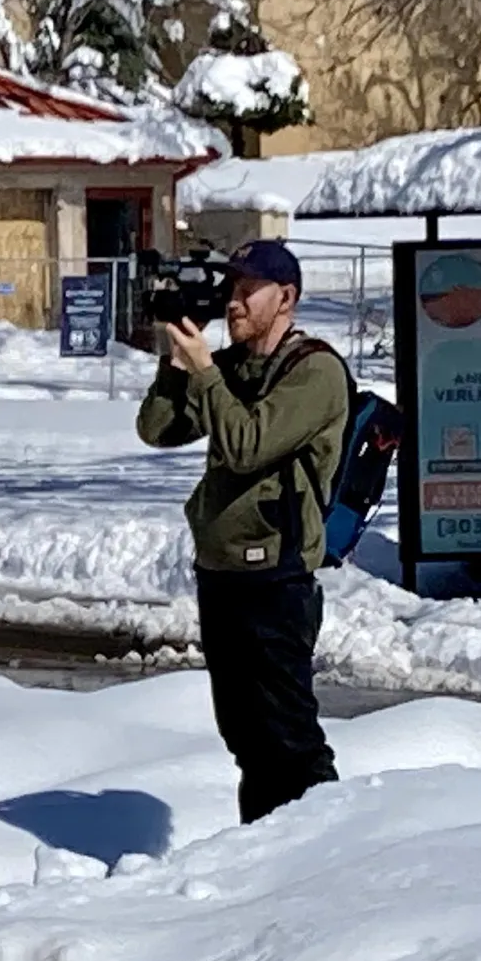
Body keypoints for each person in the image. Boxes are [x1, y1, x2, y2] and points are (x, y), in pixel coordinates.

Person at [136, 239, 351, 824]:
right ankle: (259, 859)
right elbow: (157, 428)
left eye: (246, 291)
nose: (234, 304)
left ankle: (330, 851)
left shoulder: (316, 371)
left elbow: (246, 445)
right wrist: (175, 361)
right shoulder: (232, 367)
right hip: (223, 574)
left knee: (291, 743)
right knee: (247, 743)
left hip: (276, 578)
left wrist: (206, 372)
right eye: (230, 290)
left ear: (286, 298)